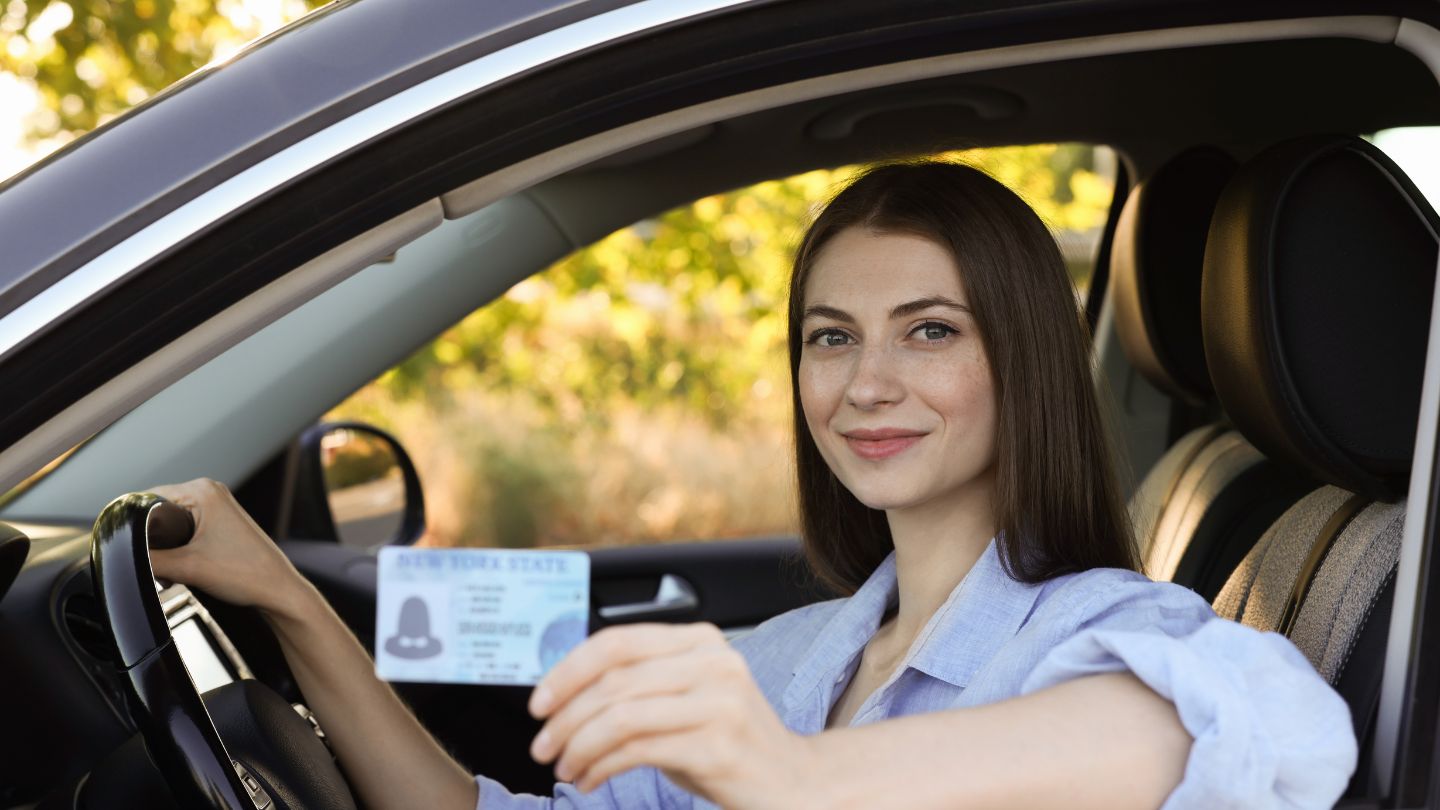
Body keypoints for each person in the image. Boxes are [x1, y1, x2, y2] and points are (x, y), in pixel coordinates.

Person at [150, 161, 1358, 810]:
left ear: (1024, 359)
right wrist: (289, 601)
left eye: (929, 331)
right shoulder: (785, 663)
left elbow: (1245, 730)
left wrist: (792, 781)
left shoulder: (1095, 634)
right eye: (831, 338)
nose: (866, 383)